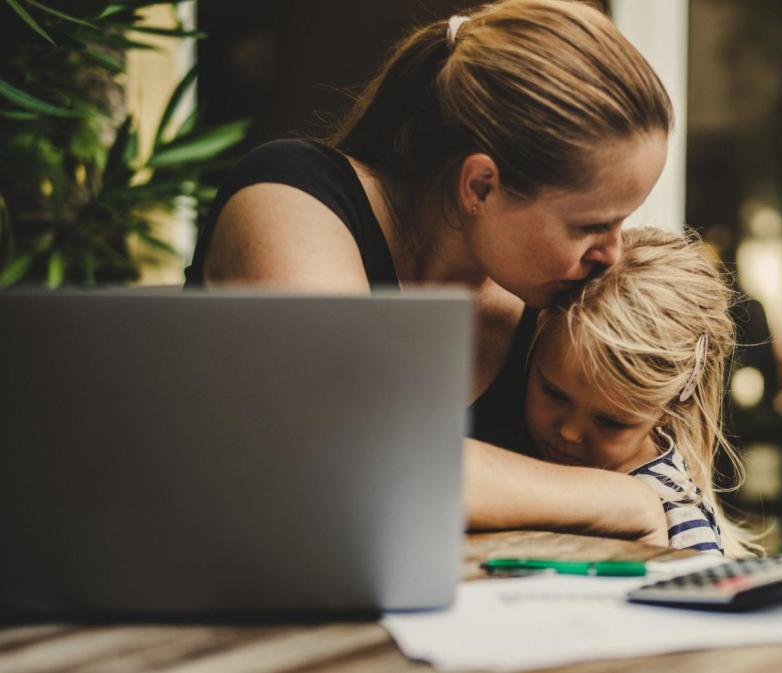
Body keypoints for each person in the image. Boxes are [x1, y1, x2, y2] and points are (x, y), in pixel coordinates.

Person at [184, 0, 675, 544]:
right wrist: (622, 499)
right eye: (590, 225)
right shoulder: (291, 203)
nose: (611, 252)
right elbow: (351, 465)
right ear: (481, 186)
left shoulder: (553, 298)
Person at [525, 227, 758, 557]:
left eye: (610, 423)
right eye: (554, 394)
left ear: (669, 408)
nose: (569, 432)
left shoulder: (678, 523)